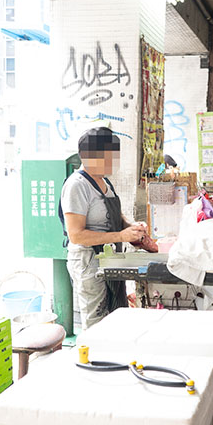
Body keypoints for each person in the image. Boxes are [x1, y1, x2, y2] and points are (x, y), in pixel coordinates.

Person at [61, 127, 147, 330]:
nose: (112, 162)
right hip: (88, 261)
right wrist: (120, 235)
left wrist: (131, 227)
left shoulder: (104, 181)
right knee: (96, 321)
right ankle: (92, 360)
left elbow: (115, 215)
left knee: (115, 316)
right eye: (107, 156)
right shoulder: (77, 185)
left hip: (108, 259)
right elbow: (76, 235)